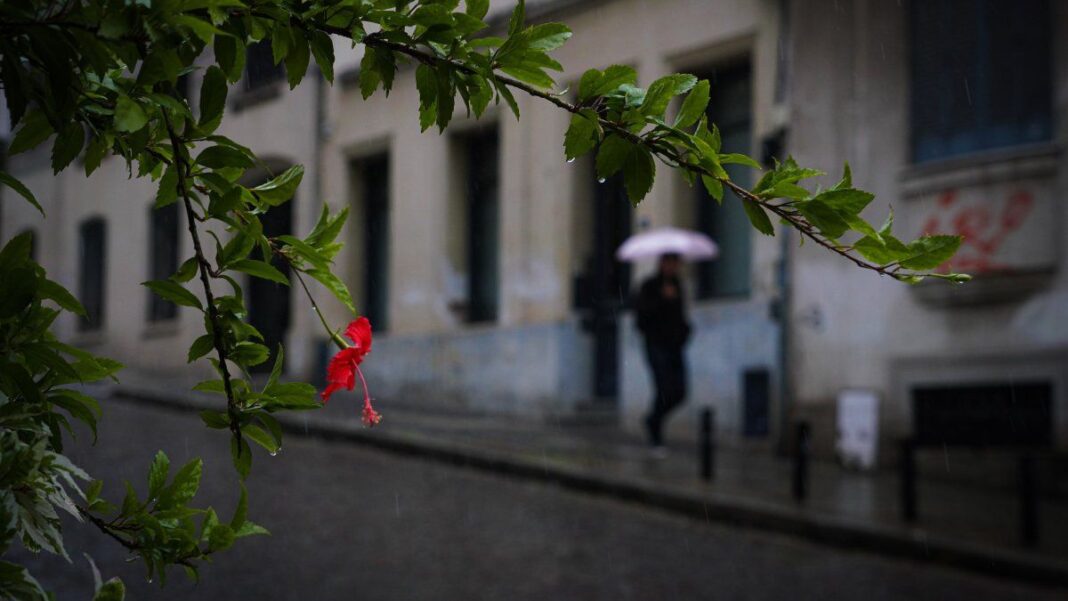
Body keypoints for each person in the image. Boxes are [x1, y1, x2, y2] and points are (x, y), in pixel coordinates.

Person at [635, 253, 692, 452]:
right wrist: (661, 299)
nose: (672, 267)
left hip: (674, 346)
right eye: (668, 263)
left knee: (680, 392)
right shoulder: (649, 285)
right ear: (661, 263)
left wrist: (685, 332)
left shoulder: (677, 285)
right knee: (663, 389)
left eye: (675, 263)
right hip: (656, 345)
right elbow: (641, 319)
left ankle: (653, 419)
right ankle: (656, 435)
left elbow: (680, 316)